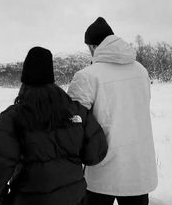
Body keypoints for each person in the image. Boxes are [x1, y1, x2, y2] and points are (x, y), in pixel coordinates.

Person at [0, 46, 108, 205]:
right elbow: (96, 153)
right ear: (51, 78)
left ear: (25, 81)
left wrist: (4, 197)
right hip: (75, 199)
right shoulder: (76, 111)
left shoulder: (12, 118)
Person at [68, 17, 158, 205]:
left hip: (102, 169)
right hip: (138, 168)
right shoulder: (141, 71)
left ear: (92, 46)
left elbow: (74, 123)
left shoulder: (87, 76)